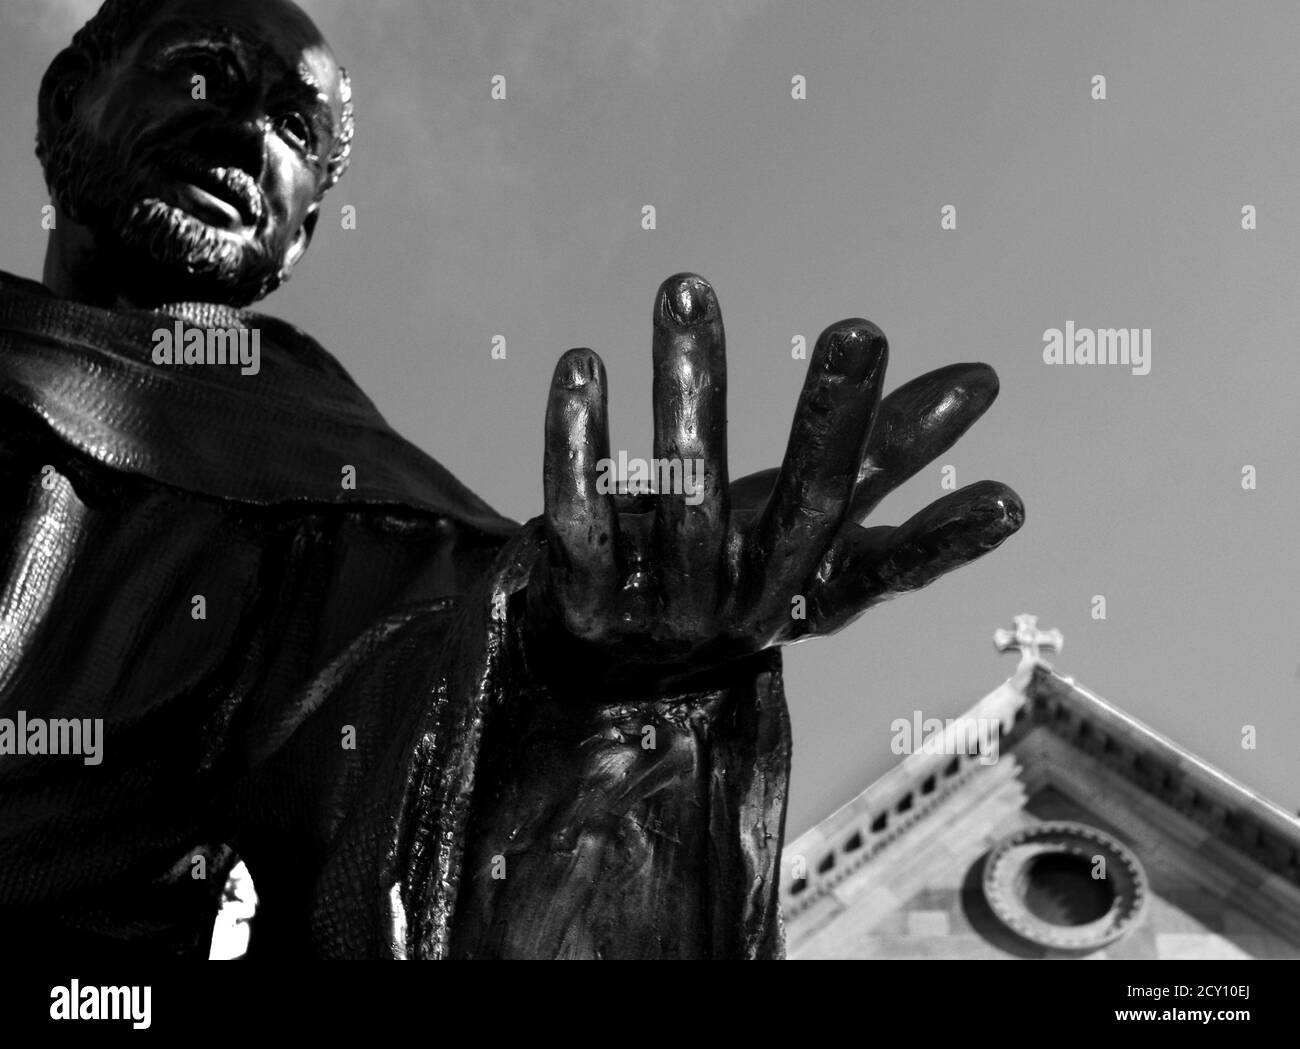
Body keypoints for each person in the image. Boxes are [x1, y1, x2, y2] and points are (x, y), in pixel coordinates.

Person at [0, 0, 1023, 958]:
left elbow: (415, 760)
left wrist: (599, 674)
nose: (244, 137)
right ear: (68, 95)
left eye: (294, 130)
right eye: (201, 77)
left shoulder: (338, 479)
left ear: (303, 230)